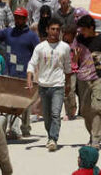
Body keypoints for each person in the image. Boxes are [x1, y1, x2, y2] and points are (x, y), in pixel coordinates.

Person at [0, 6, 40, 137]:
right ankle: (14, 130)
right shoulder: (8, 32)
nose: (18, 19)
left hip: (25, 75)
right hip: (10, 74)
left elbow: (38, 52)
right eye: (16, 17)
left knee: (25, 102)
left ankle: (25, 126)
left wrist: (37, 72)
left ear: (25, 19)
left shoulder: (32, 36)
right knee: (11, 102)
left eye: (20, 17)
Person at [27, 18, 73, 151]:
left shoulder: (65, 47)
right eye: (53, 29)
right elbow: (32, 63)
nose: (55, 32)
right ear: (47, 30)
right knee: (46, 116)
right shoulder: (40, 47)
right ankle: (50, 136)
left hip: (58, 85)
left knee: (55, 113)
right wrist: (29, 78)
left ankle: (53, 138)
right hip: (43, 86)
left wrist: (68, 84)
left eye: (58, 29)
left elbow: (67, 67)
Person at [74, 15, 101, 147]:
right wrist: (76, 56)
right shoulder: (79, 39)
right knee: (85, 110)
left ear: (91, 28)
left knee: (97, 107)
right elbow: (74, 60)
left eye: (84, 29)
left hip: (97, 78)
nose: (81, 32)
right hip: (82, 79)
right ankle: (92, 135)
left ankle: (96, 139)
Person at [63, 26, 79, 119]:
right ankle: (67, 112)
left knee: (71, 91)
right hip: (64, 71)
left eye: (67, 34)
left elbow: (76, 59)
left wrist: (76, 53)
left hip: (73, 70)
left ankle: (73, 108)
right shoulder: (62, 45)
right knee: (65, 92)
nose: (65, 36)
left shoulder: (75, 45)